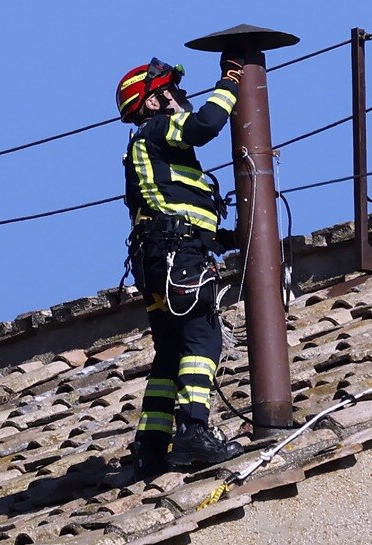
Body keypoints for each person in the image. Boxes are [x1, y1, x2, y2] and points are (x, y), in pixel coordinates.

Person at [116, 54, 247, 480]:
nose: (183, 97)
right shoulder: (157, 130)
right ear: (153, 102)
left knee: (169, 353)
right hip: (176, 255)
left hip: (159, 258)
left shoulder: (153, 151)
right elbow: (206, 125)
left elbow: (176, 209)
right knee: (202, 339)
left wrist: (229, 240)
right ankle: (193, 428)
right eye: (173, 90)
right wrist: (230, 82)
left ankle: (152, 446)